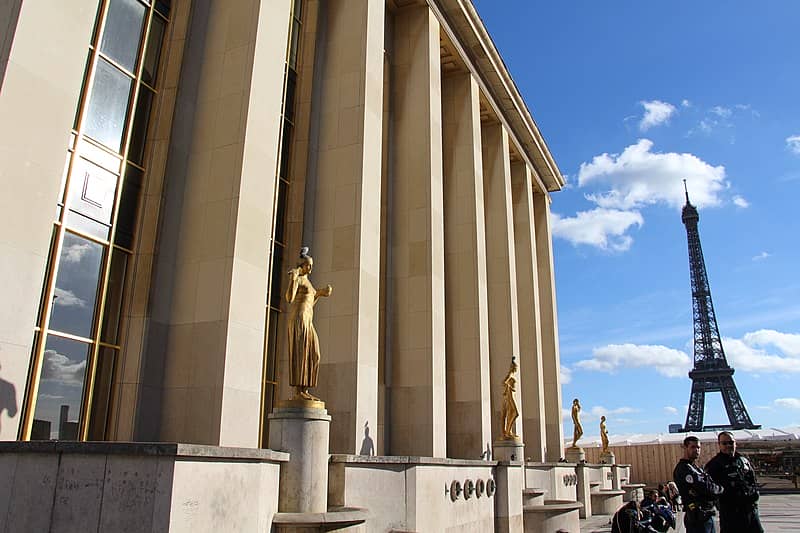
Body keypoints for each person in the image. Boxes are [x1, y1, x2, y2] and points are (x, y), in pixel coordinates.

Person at [285, 248, 332, 401]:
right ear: (302, 265)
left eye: (311, 265)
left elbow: (310, 301)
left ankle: (305, 389)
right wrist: (293, 278)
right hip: (299, 319)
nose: (310, 268)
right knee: (301, 354)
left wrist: (321, 293)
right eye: (308, 265)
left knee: (315, 354)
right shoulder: (298, 278)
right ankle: (299, 391)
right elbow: (290, 297)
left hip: (308, 319)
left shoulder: (307, 281)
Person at [705, 432, 764, 533]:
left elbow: (752, 481)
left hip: (750, 510)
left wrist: (754, 494)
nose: (728, 445)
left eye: (731, 442)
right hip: (731, 513)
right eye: (724, 443)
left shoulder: (743, 460)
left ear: (735, 443)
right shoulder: (714, 465)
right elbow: (709, 489)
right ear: (719, 445)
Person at [673, 435, 723, 533]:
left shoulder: (695, 468)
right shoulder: (684, 469)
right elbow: (705, 487)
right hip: (697, 516)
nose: (696, 450)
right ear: (685, 448)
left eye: (698, 447)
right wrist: (720, 489)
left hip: (706, 514)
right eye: (693, 447)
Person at [500, 357, 519, 439]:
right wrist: (509, 387)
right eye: (515, 367)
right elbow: (504, 383)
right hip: (509, 397)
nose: (516, 369)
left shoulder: (512, 374)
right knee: (514, 413)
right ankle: (507, 431)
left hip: (510, 396)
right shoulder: (510, 374)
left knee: (510, 414)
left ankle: (508, 431)